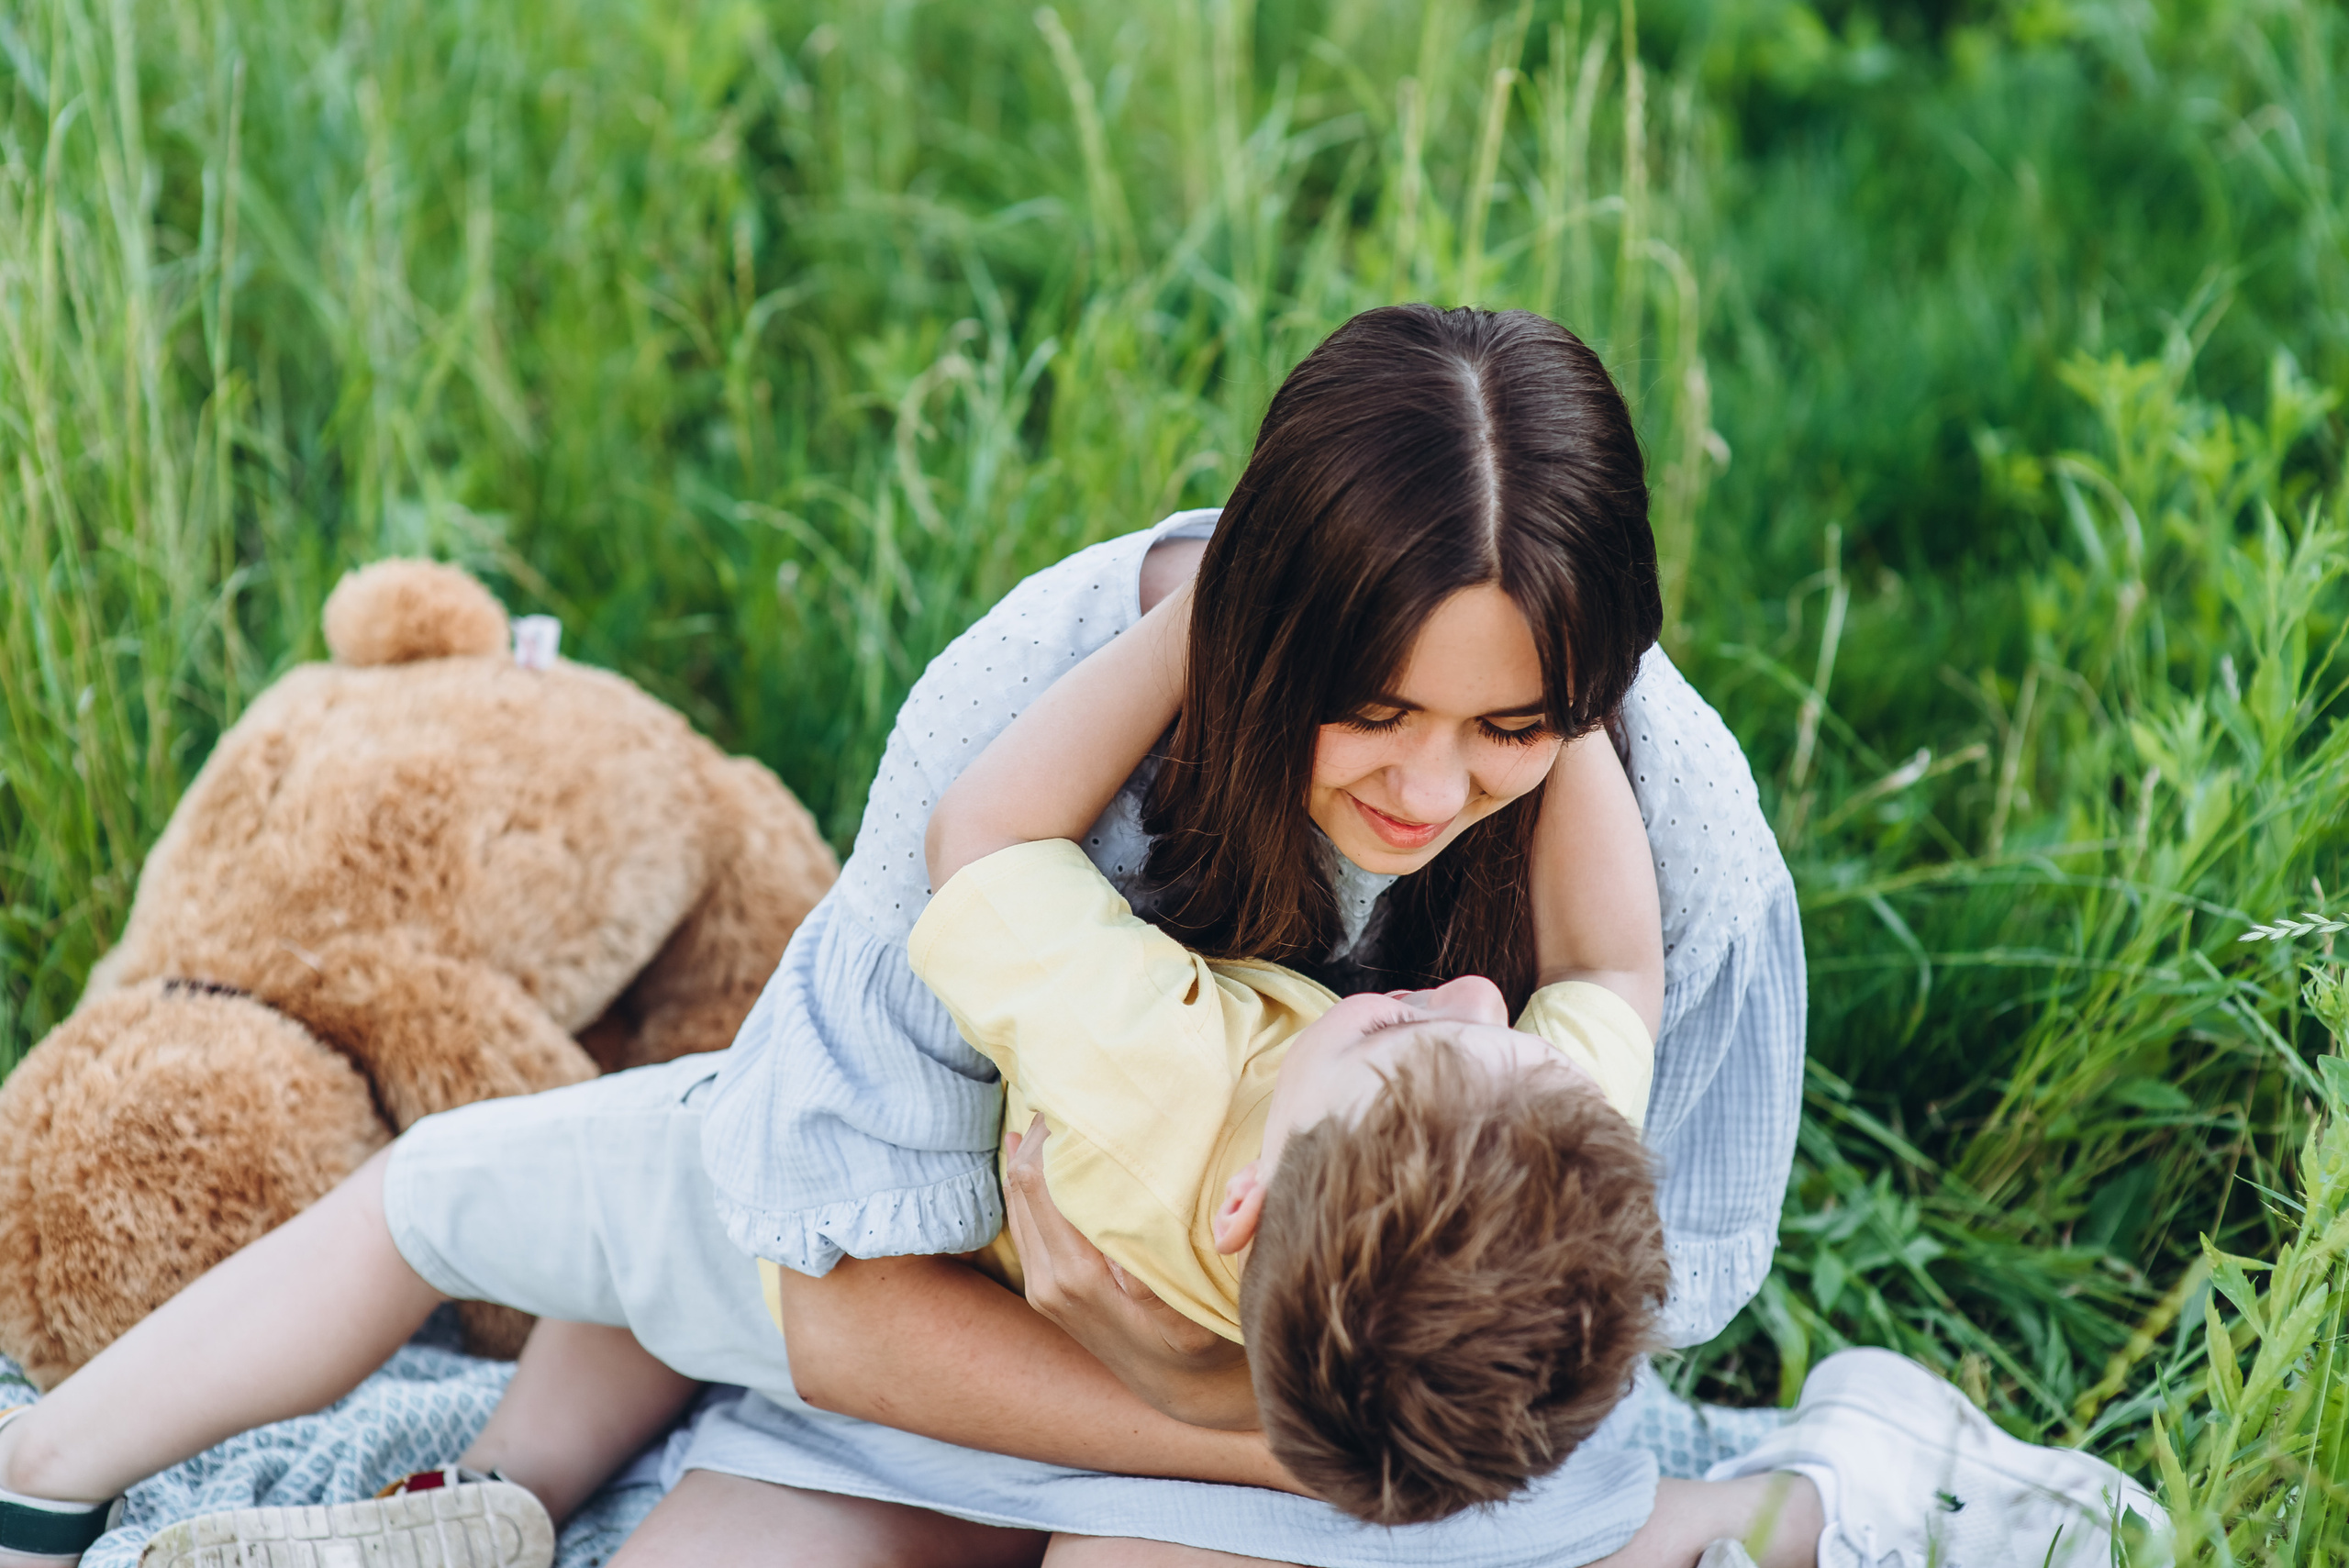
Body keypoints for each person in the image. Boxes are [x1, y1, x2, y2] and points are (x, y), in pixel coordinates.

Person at [0, 307, 2156, 1568]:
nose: (1423, 802)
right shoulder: (1051, 703)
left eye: (1516, 727)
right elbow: (815, 1270)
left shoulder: (1653, 829)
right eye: (1368, 706)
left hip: (1358, 1451)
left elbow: (1548, 1363)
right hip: (970, 1373)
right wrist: (1206, 1402)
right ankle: (444, 1492)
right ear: (1249, 627)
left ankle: (1771, 1508)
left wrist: (1184, 1388)